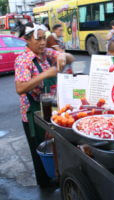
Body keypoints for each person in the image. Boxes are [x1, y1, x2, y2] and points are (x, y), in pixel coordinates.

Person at [14, 22, 74, 187]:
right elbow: (20, 88)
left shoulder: (46, 53)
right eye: (38, 39)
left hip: (51, 110)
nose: (42, 42)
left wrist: (63, 56)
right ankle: (45, 185)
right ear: (27, 39)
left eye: (43, 38)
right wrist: (45, 74)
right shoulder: (23, 60)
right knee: (40, 152)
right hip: (34, 115)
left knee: (54, 149)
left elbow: (71, 58)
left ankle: (56, 177)